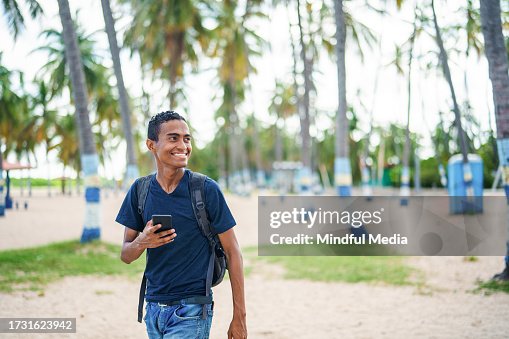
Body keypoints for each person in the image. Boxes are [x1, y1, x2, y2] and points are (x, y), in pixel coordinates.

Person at [115, 111, 247, 338]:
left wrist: (240, 316)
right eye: (173, 138)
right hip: (153, 309)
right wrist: (142, 241)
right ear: (151, 145)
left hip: (192, 309)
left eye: (187, 139)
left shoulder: (206, 189)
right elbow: (126, 255)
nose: (183, 145)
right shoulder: (140, 190)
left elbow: (233, 252)